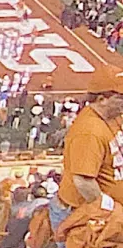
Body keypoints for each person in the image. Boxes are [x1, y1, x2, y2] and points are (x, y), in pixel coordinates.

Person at [53, 69, 123, 231]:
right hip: (83, 216)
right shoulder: (89, 131)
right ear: (102, 99)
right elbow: (84, 182)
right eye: (121, 98)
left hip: (100, 214)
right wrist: (111, 213)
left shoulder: (112, 117)